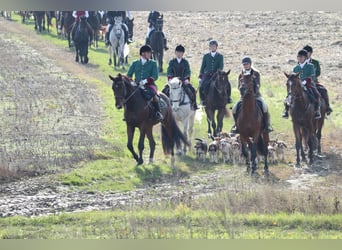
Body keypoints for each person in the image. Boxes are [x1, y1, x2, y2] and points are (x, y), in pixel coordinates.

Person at [231, 56, 273, 133]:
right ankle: (236, 125)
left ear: (250, 64)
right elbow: (239, 86)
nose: (245, 66)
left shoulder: (256, 73)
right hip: (244, 97)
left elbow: (258, 85)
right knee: (234, 108)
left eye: (247, 64)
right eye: (244, 64)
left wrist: (254, 93)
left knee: (264, 106)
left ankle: (267, 125)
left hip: (256, 96)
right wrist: (242, 91)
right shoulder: (241, 75)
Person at [127, 45, 163, 121]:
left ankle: (158, 113)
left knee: (154, 97)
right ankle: (127, 114)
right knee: (129, 96)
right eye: (149, 53)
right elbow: (129, 75)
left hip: (150, 85)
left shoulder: (153, 63)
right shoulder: (135, 63)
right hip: (137, 85)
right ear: (143, 53)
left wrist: (146, 81)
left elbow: (155, 76)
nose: (151, 54)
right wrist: (132, 82)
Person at [282, 49, 321, 119]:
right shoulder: (296, 68)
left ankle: (317, 110)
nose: (300, 58)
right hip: (297, 85)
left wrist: (306, 81)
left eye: (301, 57)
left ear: (305, 58)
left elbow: (312, 75)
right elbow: (293, 77)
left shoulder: (310, 66)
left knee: (316, 94)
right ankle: (286, 110)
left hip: (308, 84)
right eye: (298, 57)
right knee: (289, 95)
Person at [161, 45, 198, 110]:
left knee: (192, 90)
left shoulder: (185, 62)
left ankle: (193, 104)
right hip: (173, 81)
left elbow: (188, 71)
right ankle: (163, 105)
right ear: (175, 53)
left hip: (182, 80)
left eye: (181, 52)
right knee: (164, 90)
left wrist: (186, 79)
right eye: (178, 52)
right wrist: (170, 79)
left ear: (183, 53)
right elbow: (169, 70)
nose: (179, 54)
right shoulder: (172, 62)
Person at [198, 39, 232, 106]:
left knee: (228, 84)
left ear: (216, 47)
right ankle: (203, 100)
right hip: (207, 75)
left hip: (217, 75)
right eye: (211, 46)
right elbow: (203, 66)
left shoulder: (220, 56)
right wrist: (201, 75)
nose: (212, 47)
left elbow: (221, 66)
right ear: (209, 47)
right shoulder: (206, 56)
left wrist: (217, 74)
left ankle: (228, 98)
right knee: (202, 85)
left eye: (214, 46)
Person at [303, 45, 333, 115]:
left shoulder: (315, 62)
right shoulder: (300, 62)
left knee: (323, 90)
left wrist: (312, 77)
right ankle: (288, 108)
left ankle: (327, 108)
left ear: (310, 53)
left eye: (307, 52)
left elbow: (318, 72)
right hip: (303, 82)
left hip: (313, 82)